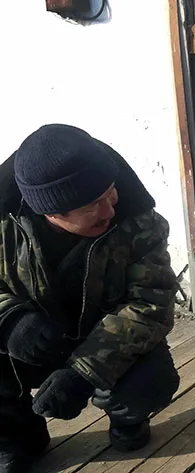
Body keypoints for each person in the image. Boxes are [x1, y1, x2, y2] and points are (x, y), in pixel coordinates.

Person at [0, 124, 180, 473]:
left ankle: (128, 419)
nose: (110, 209)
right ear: (51, 213)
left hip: (105, 338)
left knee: (152, 379)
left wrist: (84, 372)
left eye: (109, 192)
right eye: (92, 205)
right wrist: (9, 321)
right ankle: (16, 439)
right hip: (33, 343)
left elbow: (151, 304)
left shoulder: (139, 221)